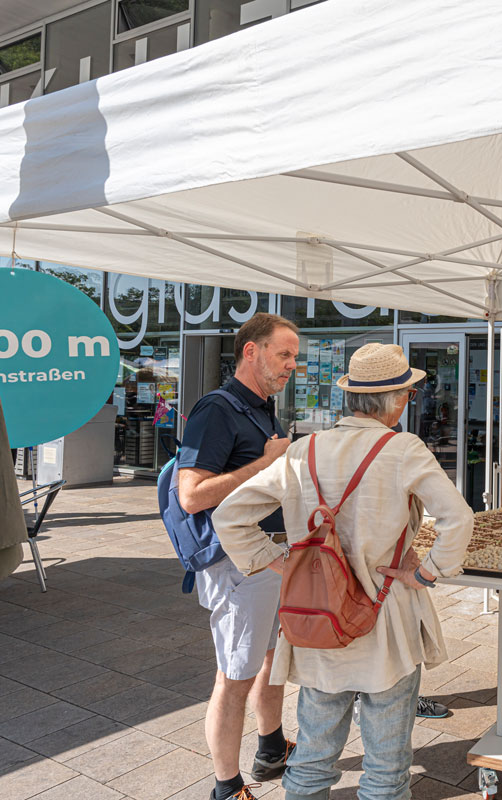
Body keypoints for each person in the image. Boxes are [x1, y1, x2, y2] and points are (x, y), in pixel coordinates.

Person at [213, 343, 474, 800]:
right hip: (385, 617)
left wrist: (277, 561)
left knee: (312, 760)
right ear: (399, 399)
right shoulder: (403, 449)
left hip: (317, 619)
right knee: (386, 769)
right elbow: (458, 518)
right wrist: (429, 573)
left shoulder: (303, 450)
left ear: (352, 397)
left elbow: (229, 516)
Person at [176, 313, 300, 800]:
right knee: (234, 676)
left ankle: (270, 747)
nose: (292, 364)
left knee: (270, 657)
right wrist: (267, 462)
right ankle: (226, 786)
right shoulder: (216, 410)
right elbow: (193, 495)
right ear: (251, 351)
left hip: (269, 559)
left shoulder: (263, 408)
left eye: (294, 356)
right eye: (283, 353)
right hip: (238, 566)